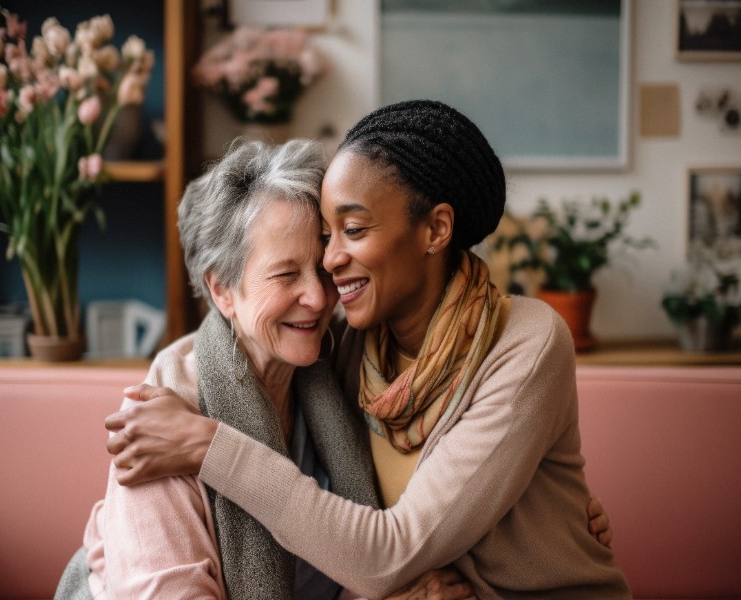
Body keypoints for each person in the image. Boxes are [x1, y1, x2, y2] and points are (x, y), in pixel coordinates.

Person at [106, 99, 629, 599]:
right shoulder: (347, 348)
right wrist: (114, 535)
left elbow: (387, 555)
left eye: (349, 231)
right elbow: (140, 526)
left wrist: (208, 446)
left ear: (436, 229)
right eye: (325, 238)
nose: (328, 271)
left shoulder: (518, 343)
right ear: (219, 289)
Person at [55, 138, 479, 600]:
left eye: (321, 270)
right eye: (285, 275)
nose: (318, 299)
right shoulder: (162, 417)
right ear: (222, 290)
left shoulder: (337, 373)